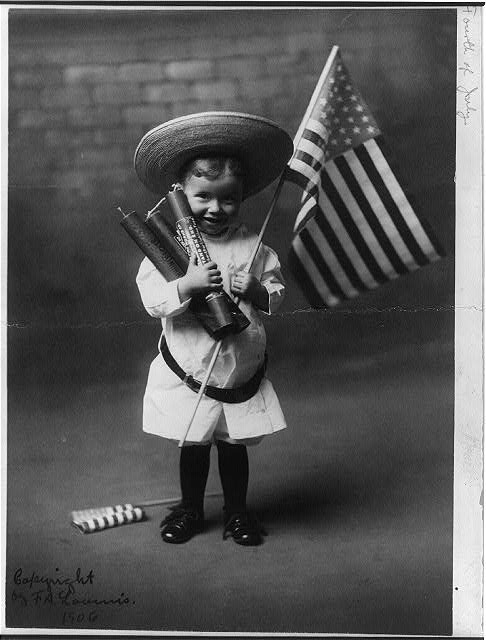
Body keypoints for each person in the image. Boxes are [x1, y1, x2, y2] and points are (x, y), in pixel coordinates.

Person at [133, 112, 293, 546]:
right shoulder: (167, 244)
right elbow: (154, 300)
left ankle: (238, 513)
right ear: (182, 194)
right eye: (203, 197)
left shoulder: (252, 245)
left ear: (241, 199)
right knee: (194, 444)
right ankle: (189, 509)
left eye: (229, 199)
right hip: (191, 369)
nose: (216, 208)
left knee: (233, 445)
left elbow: (277, 296)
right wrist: (187, 283)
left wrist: (256, 288)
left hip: (239, 373)